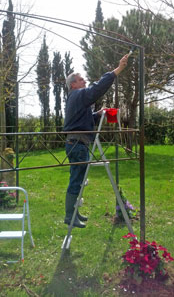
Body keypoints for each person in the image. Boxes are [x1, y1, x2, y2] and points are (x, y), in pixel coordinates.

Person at [63, 54, 129, 228]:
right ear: (73, 85)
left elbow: (81, 121)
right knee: (76, 180)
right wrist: (117, 70)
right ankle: (70, 216)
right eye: (81, 79)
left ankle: (73, 213)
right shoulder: (77, 94)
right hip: (77, 144)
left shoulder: (76, 99)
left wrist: (97, 114)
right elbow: (96, 89)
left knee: (76, 179)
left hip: (76, 143)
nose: (84, 81)